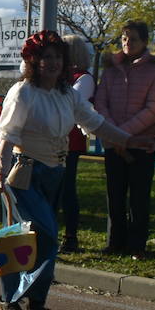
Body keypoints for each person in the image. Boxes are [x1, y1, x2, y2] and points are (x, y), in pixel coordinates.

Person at [0, 31, 141, 310]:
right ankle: (35, 305)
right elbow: (7, 137)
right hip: (25, 174)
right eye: (46, 57)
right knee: (45, 238)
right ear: (33, 60)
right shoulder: (23, 92)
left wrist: (127, 139)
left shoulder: (67, 94)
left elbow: (94, 122)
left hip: (55, 174)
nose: (53, 63)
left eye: (58, 57)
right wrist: (0, 175)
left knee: (21, 239)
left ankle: (8, 300)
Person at [95, 20, 155, 259]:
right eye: (124, 38)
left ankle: (137, 244)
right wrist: (114, 133)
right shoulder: (111, 69)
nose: (127, 43)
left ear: (144, 41)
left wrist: (122, 133)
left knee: (139, 196)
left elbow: (153, 108)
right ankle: (115, 241)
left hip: (142, 143)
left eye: (133, 39)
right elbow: (101, 102)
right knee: (114, 194)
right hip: (113, 144)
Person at [57, 34, 96, 254]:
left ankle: (71, 237)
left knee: (67, 190)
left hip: (70, 141)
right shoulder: (60, 76)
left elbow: (71, 105)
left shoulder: (84, 78)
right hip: (53, 139)